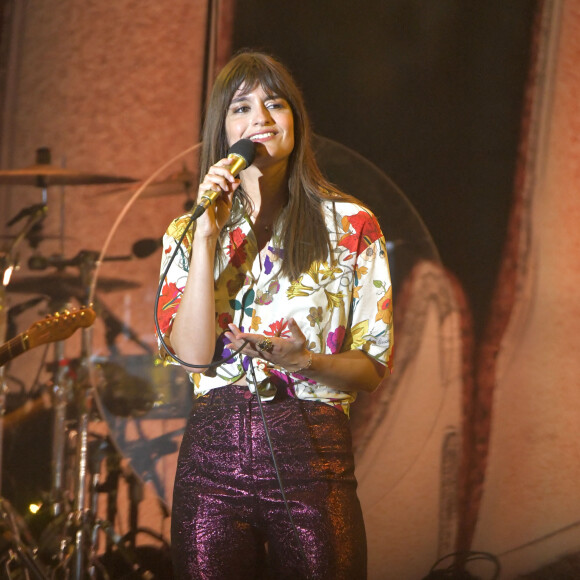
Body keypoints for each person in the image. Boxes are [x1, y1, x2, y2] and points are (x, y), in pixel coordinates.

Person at [157, 50, 393, 580]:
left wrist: (305, 360)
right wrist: (207, 237)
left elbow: (372, 367)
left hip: (312, 448)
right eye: (241, 107)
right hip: (212, 456)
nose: (260, 118)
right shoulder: (187, 231)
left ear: (295, 122)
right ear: (223, 131)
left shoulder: (353, 226)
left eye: (275, 104)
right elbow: (194, 355)